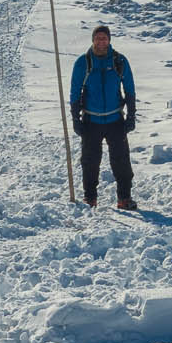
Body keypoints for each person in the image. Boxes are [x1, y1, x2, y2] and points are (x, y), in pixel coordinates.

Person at [69, 23, 137, 210]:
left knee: (122, 161)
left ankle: (124, 198)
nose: (101, 41)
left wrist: (131, 115)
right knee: (90, 162)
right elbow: (75, 92)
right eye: (98, 38)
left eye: (104, 38)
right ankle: (90, 199)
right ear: (93, 40)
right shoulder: (83, 62)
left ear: (109, 40)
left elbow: (129, 88)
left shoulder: (119, 61)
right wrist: (75, 118)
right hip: (91, 121)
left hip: (115, 120)